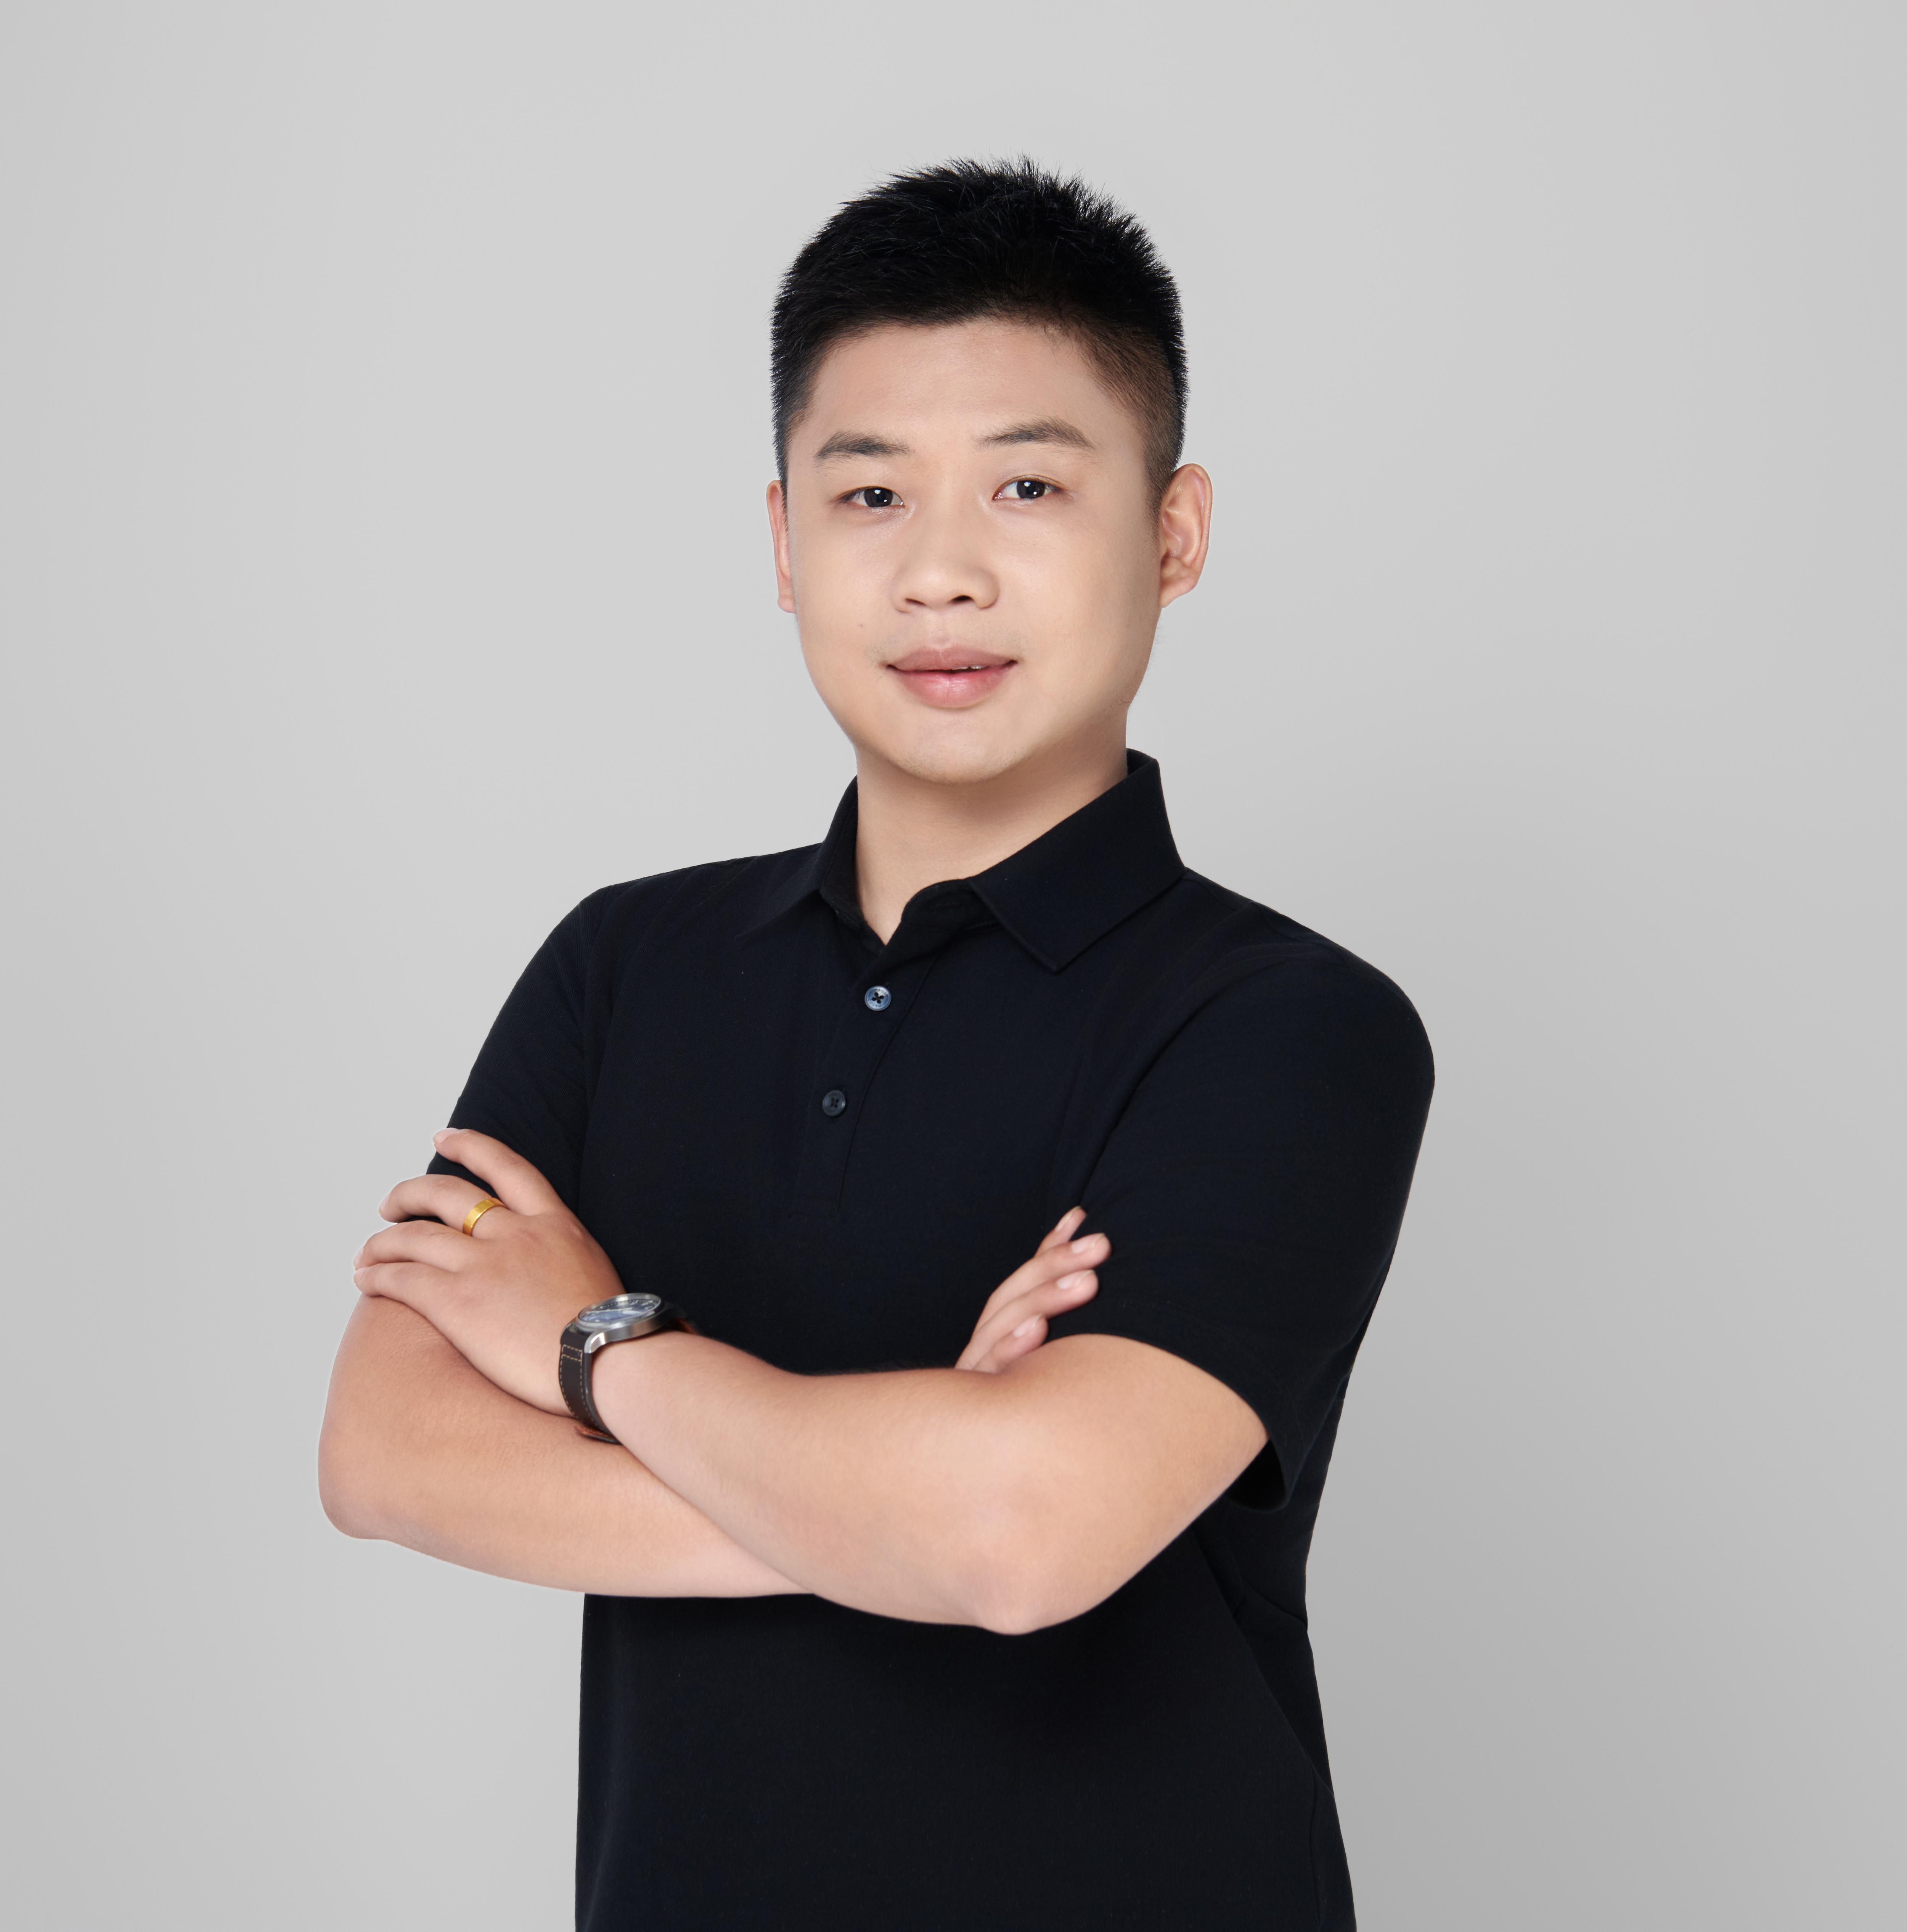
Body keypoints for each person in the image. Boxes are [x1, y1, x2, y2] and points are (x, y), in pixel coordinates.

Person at [320, 158, 1433, 1931]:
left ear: (1173, 532)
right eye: (869, 493)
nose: (940, 572)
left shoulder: (1291, 1024)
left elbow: (1020, 1536)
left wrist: (600, 1348)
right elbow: (385, 1453)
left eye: (1027, 484)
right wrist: (898, 1498)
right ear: (784, 543)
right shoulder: (622, 966)